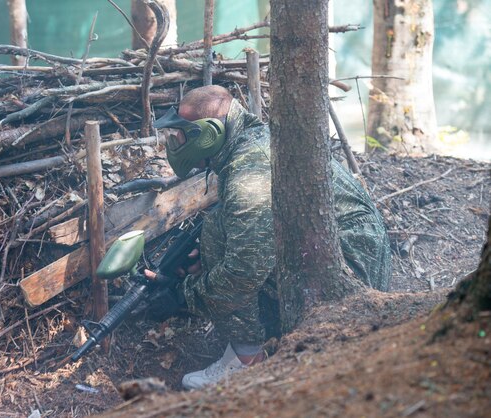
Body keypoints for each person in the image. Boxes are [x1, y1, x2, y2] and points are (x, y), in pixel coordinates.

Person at [145, 85, 391, 390]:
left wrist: (183, 296)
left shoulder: (247, 169)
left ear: (206, 134)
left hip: (351, 273)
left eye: (180, 135)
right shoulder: (253, 141)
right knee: (223, 230)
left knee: (217, 231)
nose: (175, 143)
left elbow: (244, 272)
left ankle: (246, 363)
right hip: (346, 254)